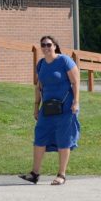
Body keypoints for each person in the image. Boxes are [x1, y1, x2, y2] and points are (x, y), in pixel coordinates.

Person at [21, 35, 80, 185]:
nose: (46, 48)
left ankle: (61, 174)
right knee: (40, 137)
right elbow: (39, 87)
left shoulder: (64, 61)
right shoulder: (41, 64)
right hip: (47, 108)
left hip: (65, 107)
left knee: (63, 139)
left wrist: (76, 102)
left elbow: (75, 82)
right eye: (43, 45)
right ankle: (34, 173)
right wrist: (36, 107)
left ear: (55, 46)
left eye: (48, 44)